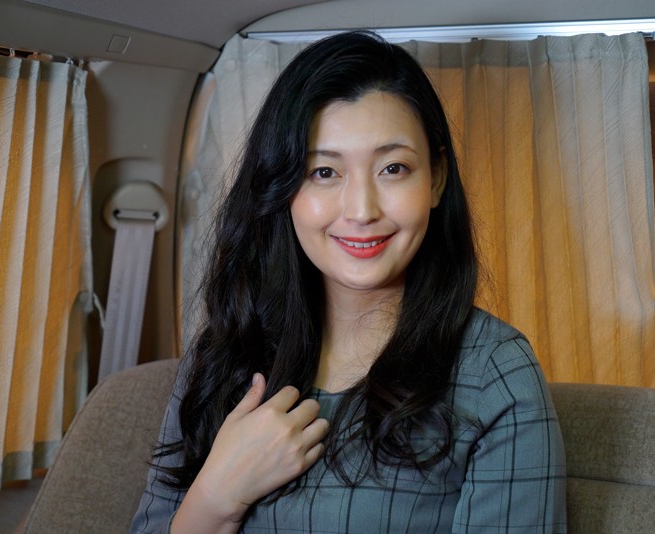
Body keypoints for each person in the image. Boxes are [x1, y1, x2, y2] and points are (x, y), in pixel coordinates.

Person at [132, 31, 566, 533]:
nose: (361, 210)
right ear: (283, 187)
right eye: (324, 172)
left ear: (436, 178)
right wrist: (215, 497)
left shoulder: (496, 374)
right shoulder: (223, 355)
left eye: (393, 168)